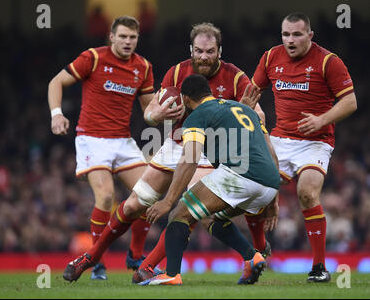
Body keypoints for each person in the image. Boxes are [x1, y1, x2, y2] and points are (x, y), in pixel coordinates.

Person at [61, 22, 274, 283]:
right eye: (199, 51)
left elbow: (257, 116)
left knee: (192, 209)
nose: (204, 57)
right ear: (191, 50)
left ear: (219, 51)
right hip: (175, 143)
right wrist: (157, 114)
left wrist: (244, 112)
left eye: (209, 51)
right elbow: (150, 112)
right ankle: (91, 257)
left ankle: (150, 266)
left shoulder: (237, 77)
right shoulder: (177, 72)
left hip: (209, 150)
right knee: (132, 205)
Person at [48, 16, 181, 280]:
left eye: (132, 37)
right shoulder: (93, 58)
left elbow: (148, 112)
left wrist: (170, 114)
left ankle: (135, 253)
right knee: (107, 196)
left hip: (123, 141)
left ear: (137, 39)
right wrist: (56, 114)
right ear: (112, 37)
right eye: (122, 36)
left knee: (148, 194)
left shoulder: (142, 66)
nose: (127, 42)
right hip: (92, 139)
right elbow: (56, 82)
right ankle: (97, 262)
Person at [139, 74, 280, 285]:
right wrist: (273, 201)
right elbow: (272, 153)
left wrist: (168, 201)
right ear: (209, 93)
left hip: (241, 176)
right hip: (269, 183)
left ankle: (171, 275)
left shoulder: (197, 116)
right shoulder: (243, 109)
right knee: (207, 217)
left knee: (179, 213)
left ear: (185, 99)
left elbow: (190, 158)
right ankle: (252, 257)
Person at [251, 12, 357, 282]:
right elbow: (250, 94)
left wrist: (321, 119)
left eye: (297, 34)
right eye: (286, 34)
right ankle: (260, 249)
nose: (290, 40)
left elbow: (350, 102)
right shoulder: (270, 57)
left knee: (307, 193)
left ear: (310, 36)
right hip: (279, 141)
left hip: (316, 143)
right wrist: (256, 112)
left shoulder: (328, 62)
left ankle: (319, 268)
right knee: (254, 193)